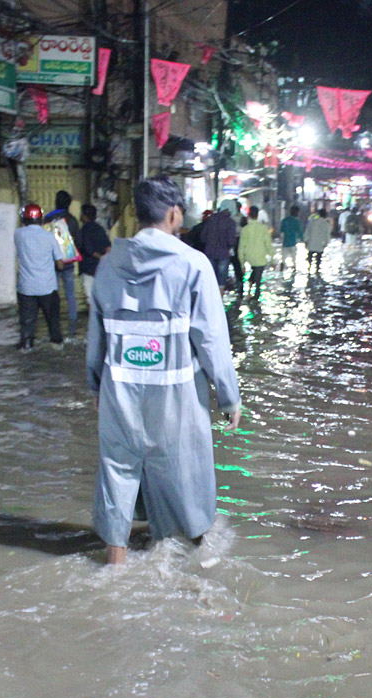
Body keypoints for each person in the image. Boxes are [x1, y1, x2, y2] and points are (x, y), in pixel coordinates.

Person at [86, 175, 241, 564]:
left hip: (119, 389)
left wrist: (96, 387)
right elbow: (211, 340)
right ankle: (190, 562)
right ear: (174, 214)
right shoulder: (193, 265)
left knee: (117, 469)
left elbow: (95, 341)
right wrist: (228, 395)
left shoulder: (108, 266)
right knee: (185, 472)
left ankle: (115, 566)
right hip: (177, 394)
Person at [13, 203, 66, 350]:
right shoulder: (49, 237)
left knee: (27, 325)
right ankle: (57, 346)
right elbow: (60, 264)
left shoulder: (18, 234)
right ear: (40, 219)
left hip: (26, 288)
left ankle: (27, 345)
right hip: (47, 287)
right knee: (53, 324)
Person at [44, 190, 81, 333]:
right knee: (70, 294)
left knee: (54, 293)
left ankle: (55, 320)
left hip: (52, 262)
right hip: (68, 261)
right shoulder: (71, 220)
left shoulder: (48, 219)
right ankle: (73, 322)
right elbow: (78, 241)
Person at [76, 203, 111, 303]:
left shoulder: (83, 231)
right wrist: (105, 259)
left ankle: (93, 318)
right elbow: (108, 247)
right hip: (100, 269)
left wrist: (99, 257)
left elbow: (88, 249)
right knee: (101, 298)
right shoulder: (100, 229)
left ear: (84, 216)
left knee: (90, 299)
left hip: (87, 269)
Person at [237, 206, 273, 298]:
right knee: (258, 277)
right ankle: (256, 292)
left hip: (249, 257)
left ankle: (248, 292)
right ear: (257, 215)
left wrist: (242, 263)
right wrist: (272, 259)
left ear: (249, 215)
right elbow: (268, 244)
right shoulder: (263, 228)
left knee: (253, 272)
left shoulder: (245, 229)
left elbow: (241, 247)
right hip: (260, 257)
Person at [202, 206, 238, 289]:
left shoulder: (211, 220)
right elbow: (231, 241)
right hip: (223, 254)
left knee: (210, 279)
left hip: (209, 253)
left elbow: (202, 238)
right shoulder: (230, 222)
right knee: (221, 282)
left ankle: (209, 300)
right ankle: (219, 301)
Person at [304, 208, 332, 273]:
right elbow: (327, 235)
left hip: (311, 242)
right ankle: (317, 269)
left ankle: (309, 267)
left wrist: (305, 240)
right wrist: (326, 243)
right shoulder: (326, 224)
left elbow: (307, 231)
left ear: (319, 214)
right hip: (320, 243)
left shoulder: (313, 222)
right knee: (318, 257)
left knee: (310, 255)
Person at [279, 205, 304, 272]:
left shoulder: (284, 220)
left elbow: (281, 232)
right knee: (294, 260)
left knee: (283, 259)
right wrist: (303, 239)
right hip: (293, 242)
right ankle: (294, 271)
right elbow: (300, 232)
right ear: (297, 212)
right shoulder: (296, 221)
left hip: (285, 243)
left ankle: (281, 270)